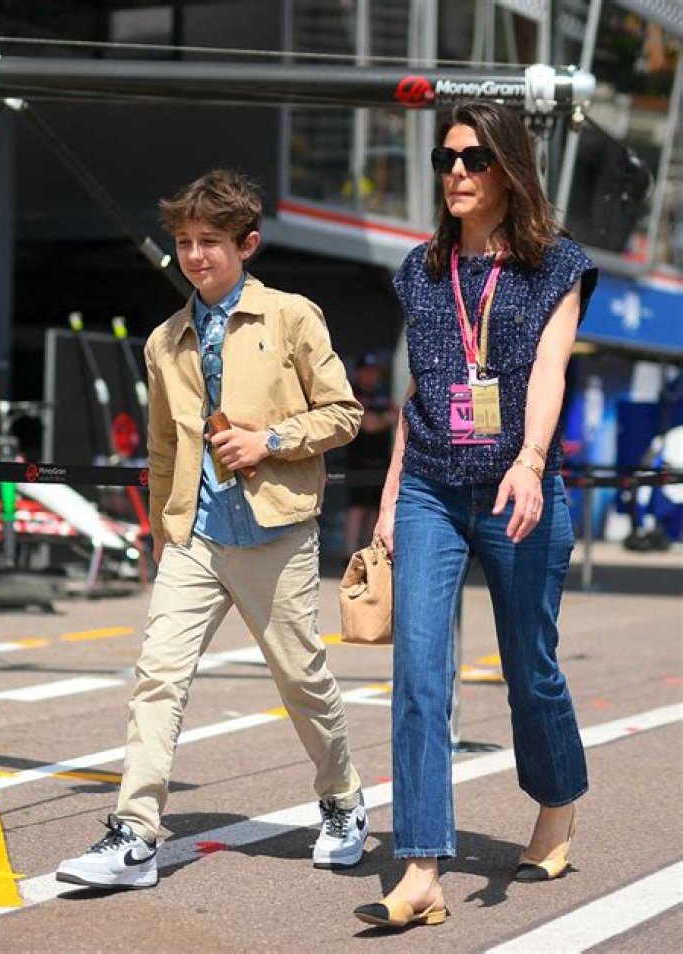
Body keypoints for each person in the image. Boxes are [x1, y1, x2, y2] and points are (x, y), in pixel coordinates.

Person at [57, 169, 368, 890]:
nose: (195, 255)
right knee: (157, 678)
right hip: (194, 537)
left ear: (246, 244)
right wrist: (163, 532)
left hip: (275, 532)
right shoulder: (165, 341)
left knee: (301, 679)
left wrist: (271, 440)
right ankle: (135, 833)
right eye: (185, 242)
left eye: (211, 242)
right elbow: (165, 445)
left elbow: (344, 413)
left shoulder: (292, 317)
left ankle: (343, 800)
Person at [354, 101, 598, 930]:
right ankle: (422, 866)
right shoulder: (422, 270)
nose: (455, 172)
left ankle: (557, 804)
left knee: (531, 669)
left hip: (517, 492)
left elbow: (549, 372)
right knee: (419, 672)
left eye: (473, 159)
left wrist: (530, 462)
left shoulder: (556, 265)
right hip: (430, 486)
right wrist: (392, 495)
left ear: (509, 169)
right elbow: (421, 386)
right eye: (445, 159)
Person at [344, 353, 397, 556]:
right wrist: (386, 419)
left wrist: (384, 418)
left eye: (374, 371)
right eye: (367, 371)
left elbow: (398, 414)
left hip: (382, 461)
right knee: (357, 508)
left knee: (375, 509)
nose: (371, 376)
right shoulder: (352, 393)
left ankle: (368, 554)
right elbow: (368, 424)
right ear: (358, 373)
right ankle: (349, 554)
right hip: (359, 461)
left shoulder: (382, 394)